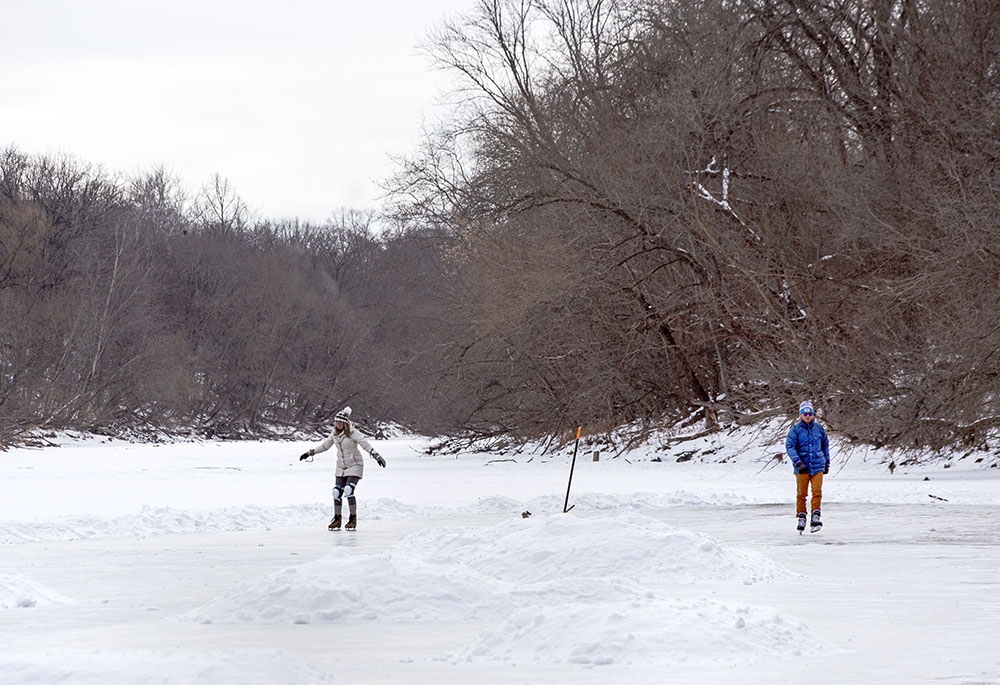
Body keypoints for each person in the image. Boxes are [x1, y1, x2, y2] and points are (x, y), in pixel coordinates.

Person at [299, 406, 386, 531]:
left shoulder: (353, 432)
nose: (338, 424)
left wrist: (377, 456)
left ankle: (352, 519)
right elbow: (325, 446)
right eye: (337, 422)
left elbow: (365, 444)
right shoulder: (334, 433)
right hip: (341, 466)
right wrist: (310, 453)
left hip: (355, 465)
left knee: (348, 489)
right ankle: (337, 519)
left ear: (345, 423)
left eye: (341, 422)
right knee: (336, 492)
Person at [785, 400, 830, 533]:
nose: (807, 415)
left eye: (810, 413)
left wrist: (827, 462)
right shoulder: (795, 430)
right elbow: (789, 446)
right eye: (805, 413)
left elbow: (825, 445)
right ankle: (801, 516)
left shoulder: (819, 428)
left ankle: (816, 516)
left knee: (817, 492)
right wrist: (798, 462)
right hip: (802, 466)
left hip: (817, 465)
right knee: (801, 494)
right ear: (800, 414)